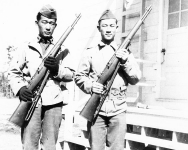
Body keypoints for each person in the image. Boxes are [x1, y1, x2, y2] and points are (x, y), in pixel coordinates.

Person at [7, 4, 75, 150]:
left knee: (50, 145)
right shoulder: (26, 47)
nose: (48, 27)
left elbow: (71, 74)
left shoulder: (62, 50)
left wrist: (58, 69)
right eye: (44, 22)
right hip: (31, 100)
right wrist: (20, 89)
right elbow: (12, 72)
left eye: (51, 23)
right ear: (37, 23)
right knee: (29, 145)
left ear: (55, 25)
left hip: (54, 102)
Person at [74, 9, 141, 150]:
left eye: (112, 26)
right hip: (97, 109)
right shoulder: (90, 52)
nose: (108, 30)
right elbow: (79, 76)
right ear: (99, 28)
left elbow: (135, 78)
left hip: (118, 109)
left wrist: (125, 62)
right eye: (105, 26)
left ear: (116, 28)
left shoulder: (125, 52)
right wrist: (91, 86)